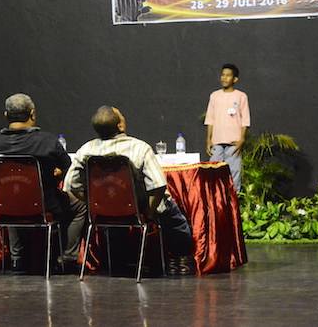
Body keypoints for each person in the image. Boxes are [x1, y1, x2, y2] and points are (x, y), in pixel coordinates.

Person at [64, 105, 194, 275]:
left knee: (116, 219)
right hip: (137, 207)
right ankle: (180, 260)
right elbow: (159, 185)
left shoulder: (85, 150)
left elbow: (71, 185)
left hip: (103, 210)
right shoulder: (140, 148)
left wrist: (94, 203)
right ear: (120, 126)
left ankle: (119, 263)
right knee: (173, 216)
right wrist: (149, 211)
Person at [0, 93, 86, 274]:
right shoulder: (48, 142)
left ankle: (17, 259)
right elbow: (66, 164)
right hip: (44, 205)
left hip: (6, 205)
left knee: (13, 199)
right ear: (33, 114)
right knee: (80, 206)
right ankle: (67, 258)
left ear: (6, 116)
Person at [204, 63, 251, 192]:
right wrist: (208, 139)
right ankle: (215, 199)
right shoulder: (214, 96)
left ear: (235, 79)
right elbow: (210, 118)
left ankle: (234, 202)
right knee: (214, 171)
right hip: (217, 141)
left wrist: (242, 139)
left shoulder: (241, 96)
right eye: (223, 75)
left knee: (234, 172)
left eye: (228, 75)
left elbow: (245, 120)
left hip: (233, 141)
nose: (224, 78)